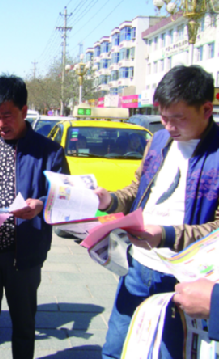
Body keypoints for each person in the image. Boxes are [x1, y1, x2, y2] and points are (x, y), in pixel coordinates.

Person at [95, 65, 219, 359]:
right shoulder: (160, 140)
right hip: (138, 266)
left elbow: (216, 229)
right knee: (116, 349)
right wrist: (108, 201)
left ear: (206, 108)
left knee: (166, 353)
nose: (169, 127)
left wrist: (164, 235)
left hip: (182, 277)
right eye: (164, 117)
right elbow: (137, 190)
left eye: (178, 118)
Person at [0, 75, 70, 359]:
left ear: (23, 111)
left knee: (24, 325)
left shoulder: (48, 151)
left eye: (6, 116)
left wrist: (40, 204)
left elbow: (65, 197)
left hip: (23, 255)